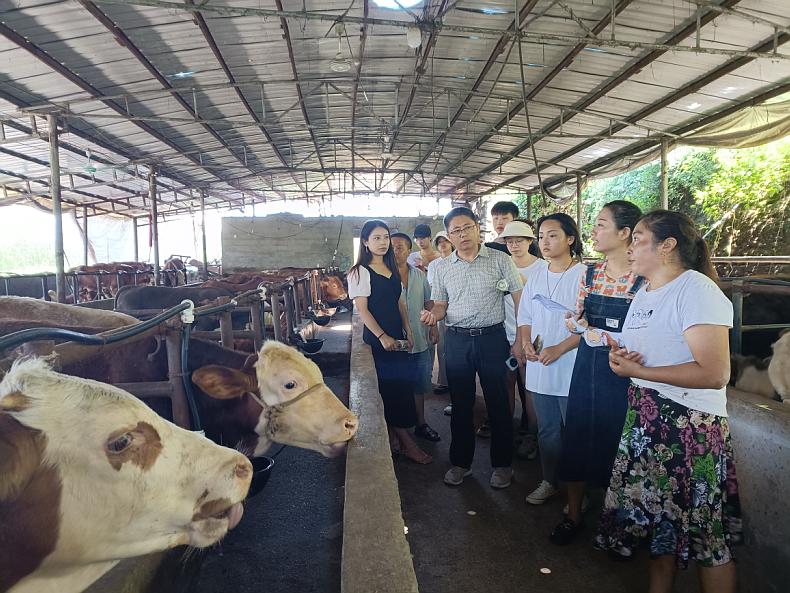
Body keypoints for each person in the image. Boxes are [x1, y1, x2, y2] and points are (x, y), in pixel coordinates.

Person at [596, 210, 740, 593]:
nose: (630, 248)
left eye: (638, 239)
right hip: (647, 421)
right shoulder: (645, 292)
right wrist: (622, 360)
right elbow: (648, 355)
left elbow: (715, 373)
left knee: (707, 539)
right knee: (662, 532)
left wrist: (640, 371)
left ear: (667, 245)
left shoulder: (696, 290)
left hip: (689, 427)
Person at [550, 201, 644, 545]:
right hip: (588, 365)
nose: (593, 230)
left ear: (625, 233)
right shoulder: (589, 274)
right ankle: (573, 514)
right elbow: (580, 317)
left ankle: (620, 525)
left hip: (626, 371)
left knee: (621, 443)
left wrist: (609, 336)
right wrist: (575, 323)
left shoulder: (644, 277)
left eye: (602, 224)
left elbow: (647, 330)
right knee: (577, 435)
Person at [420, 207, 523, 489]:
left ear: (478, 228)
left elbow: (519, 299)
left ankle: (502, 465)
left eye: (467, 228)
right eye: (456, 231)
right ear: (449, 236)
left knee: (498, 403)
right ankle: (461, 464)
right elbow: (440, 305)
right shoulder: (442, 267)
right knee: (461, 404)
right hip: (457, 340)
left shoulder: (501, 259)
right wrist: (433, 316)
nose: (463, 234)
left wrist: (519, 339)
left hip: (493, 339)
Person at [347, 220, 432, 464]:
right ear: (365, 242)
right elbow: (363, 310)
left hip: (398, 336)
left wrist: (408, 329)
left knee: (403, 386)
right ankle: (407, 443)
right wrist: (382, 336)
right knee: (392, 389)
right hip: (380, 341)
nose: (383, 242)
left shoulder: (390, 267)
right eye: (376, 238)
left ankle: (396, 438)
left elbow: (399, 301)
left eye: (385, 237)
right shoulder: (360, 272)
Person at [517, 213, 585, 505]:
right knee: (547, 430)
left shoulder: (584, 275)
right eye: (541, 236)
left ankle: (577, 491)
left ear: (570, 238)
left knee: (574, 430)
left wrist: (561, 348)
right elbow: (525, 316)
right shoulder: (537, 275)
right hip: (540, 364)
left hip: (572, 365)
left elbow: (592, 325)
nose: (545, 242)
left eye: (553, 235)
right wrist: (525, 343)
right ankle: (549, 480)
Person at [500, 220, 547, 461]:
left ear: (530, 241)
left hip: (531, 338)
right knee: (505, 382)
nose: (514, 245)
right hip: (502, 334)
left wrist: (523, 340)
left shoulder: (543, 268)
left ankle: (532, 434)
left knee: (530, 386)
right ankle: (506, 431)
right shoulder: (501, 264)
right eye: (509, 241)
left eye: (519, 240)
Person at [391, 232, 441, 443]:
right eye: (392, 247)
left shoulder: (419, 276)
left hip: (420, 339)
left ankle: (421, 423)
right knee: (396, 387)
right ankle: (397, 431)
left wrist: (434, 326)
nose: (395, 251)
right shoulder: (382, 277)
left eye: (400, 247)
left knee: (419, 384)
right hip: (395, 342)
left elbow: (429, 302)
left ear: (409, 251)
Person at [427, 231, 454, 399]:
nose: (443, 244)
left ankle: (459, 385)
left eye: (446, 241)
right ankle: (444, 381)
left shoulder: (459, 260)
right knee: (442, 346)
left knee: (458, 350)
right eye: (439, 242)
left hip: (458, 309)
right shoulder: (434, 265)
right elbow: (433, 288)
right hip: (440, 308)